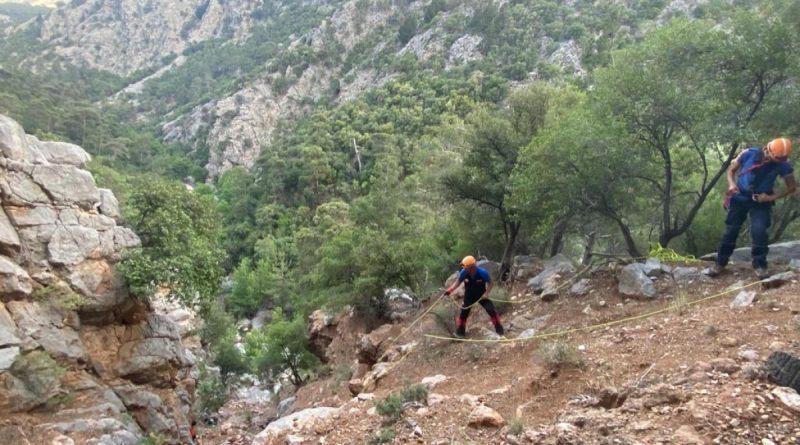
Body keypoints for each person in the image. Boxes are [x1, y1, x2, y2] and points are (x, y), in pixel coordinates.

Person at [706, 138, 797, 279]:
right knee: (731, 230)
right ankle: (720, 263)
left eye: (783, 158)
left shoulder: (783, 165)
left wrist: (771, 198)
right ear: (768, 150)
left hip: (761, 200)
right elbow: (731, 170)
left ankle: (760, 265)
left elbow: (792, 187)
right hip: (739, 197)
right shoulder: (749, 154)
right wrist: (731, 184)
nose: (780, 160)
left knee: (759, 231)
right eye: (778, 157)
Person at [444, 255, 505, 338]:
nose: (463, 268)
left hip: (481, 296)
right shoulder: (463, 272)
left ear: (471, 267)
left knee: (491, 310)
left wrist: (486, 293)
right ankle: (460, 333)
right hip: (469, 296)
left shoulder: (482, 273)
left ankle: (500, 331)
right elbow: (457, 282)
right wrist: (449, 290)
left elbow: (491, 283)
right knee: (463, 314)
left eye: (465, 266)